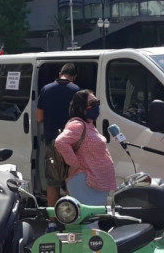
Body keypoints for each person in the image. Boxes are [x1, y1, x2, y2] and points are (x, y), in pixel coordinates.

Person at [53, 89, 116, 205]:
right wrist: (75, 164)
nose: (96, 106)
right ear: (81, 108)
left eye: (97, 102)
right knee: (87, 220)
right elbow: (60, 142)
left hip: (95, 183)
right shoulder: (78, 125)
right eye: (92, 103)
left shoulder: (89, 125)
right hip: (85, 182)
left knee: (92, 220)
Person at [36, 63, 80, 207]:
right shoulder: (76, 91)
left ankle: (52, 221)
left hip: (52, 143)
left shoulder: (46, 89)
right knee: (71, 181)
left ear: (60, 73)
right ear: (74, 77)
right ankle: (70, 218)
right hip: (72, 144)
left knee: (52, 183)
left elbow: (39, 117)